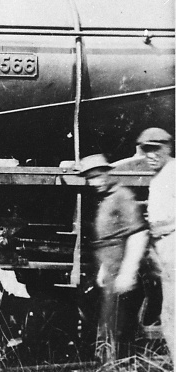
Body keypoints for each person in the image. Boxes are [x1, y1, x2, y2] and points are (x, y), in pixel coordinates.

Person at [78, 153, 149, 362]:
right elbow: (108, 238)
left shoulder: (122, 195)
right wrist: (102, 269)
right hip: (109, 269)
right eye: (90, 178)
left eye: (99, 176)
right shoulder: (106, 198)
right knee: (107, 323)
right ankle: (111, 363)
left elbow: (138, 233)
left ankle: (121, 365)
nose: (95, 182)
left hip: (120, 270)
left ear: (109, 173)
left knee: (119, 327)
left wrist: (128, 272)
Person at [137, 127, 175, 359]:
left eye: (156, 149)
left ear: (168, 148)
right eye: (146, 150)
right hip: (165, 250)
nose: (151, 155)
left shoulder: (173, 172)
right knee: (169, 314)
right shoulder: (160, 175)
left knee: (172, 315)